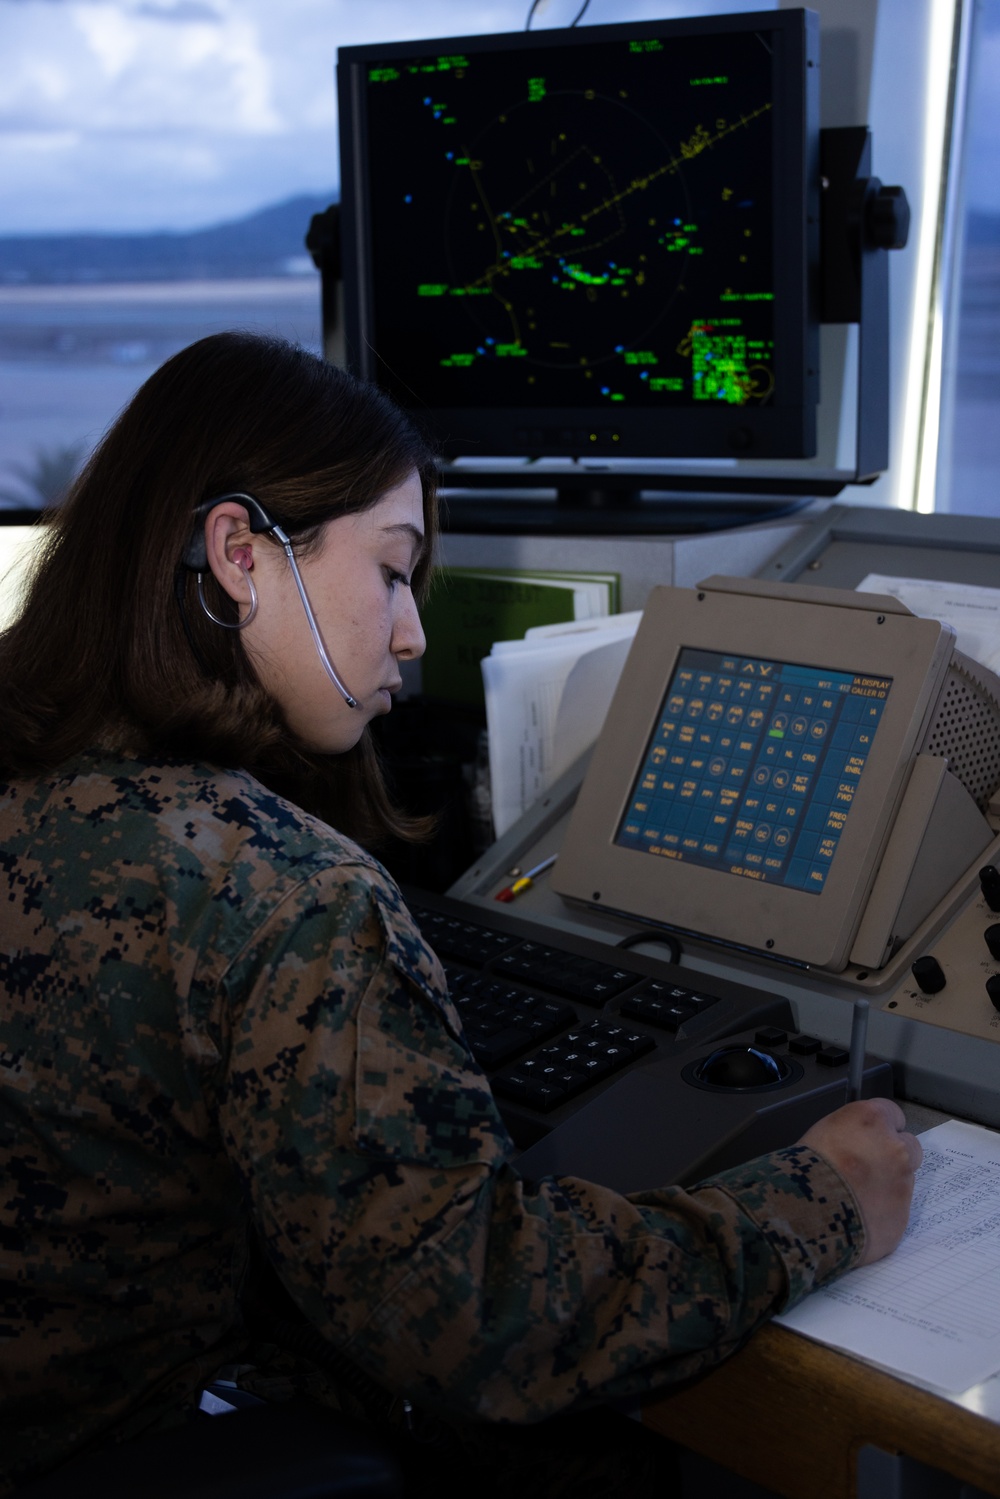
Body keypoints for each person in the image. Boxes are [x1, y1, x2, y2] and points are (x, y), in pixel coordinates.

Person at [0, 332, 922, 1497]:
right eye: (391, 570)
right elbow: (477, 1318)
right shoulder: (276, 890)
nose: (410, 634)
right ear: (240, 553)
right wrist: (818, 1200)